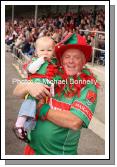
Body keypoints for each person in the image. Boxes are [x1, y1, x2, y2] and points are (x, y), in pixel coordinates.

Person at [13, 33, 100, 155]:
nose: (70, 61)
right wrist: (30, 86)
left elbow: (75, 122)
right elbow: (17, 91)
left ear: (84, 60)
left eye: (76, 57)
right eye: (67, 56)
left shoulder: (87, 85)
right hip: (31, 151)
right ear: (61, 59)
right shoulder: (53, 73)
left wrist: (41, 110)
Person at [13, 36, 57, 142]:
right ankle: (19, 123)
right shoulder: (36, 61)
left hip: (46, 88)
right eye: (42, 50)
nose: (45, 53)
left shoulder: (53, 64)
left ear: (54, 51)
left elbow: (53, 79)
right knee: (30, 102)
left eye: (49, 50)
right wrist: (41, 59)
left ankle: (26, 130)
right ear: (36, 52)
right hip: (36, 85)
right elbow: (31, 70)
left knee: (36, 111)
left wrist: (53, 91)